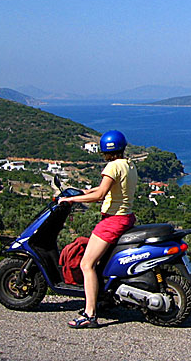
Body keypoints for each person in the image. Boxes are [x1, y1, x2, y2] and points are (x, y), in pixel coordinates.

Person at [58, 130, 138, 328]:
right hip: (126, 217)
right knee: (102, 262)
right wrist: (85, 191)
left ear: (105, 150)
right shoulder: (128, 165)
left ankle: (90, 314)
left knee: (87, 264)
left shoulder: (112, 166)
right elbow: (106, 188)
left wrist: (71, 199)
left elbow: (101, 195)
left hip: (112, 221)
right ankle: (105, 297)